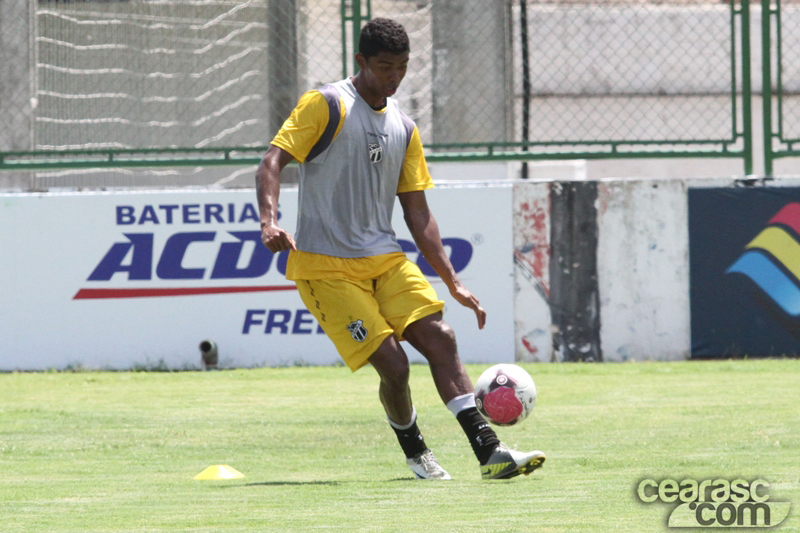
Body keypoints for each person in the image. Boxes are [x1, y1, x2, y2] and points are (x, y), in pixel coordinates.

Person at [255, 17, 545, 480]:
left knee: (442, 338)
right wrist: (269, 221)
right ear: (361, 62)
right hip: (325, 268)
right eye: (385, 67)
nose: (394, 77)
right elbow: (272, 162)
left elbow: (418, 214)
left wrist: (453, 281)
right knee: (394, 364)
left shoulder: (404, 128)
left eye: (402, 67)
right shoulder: (326, 104)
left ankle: (490, 453)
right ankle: (416, 452)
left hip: (385, 259)